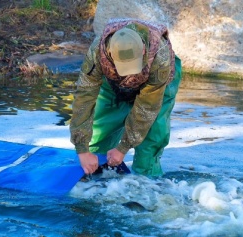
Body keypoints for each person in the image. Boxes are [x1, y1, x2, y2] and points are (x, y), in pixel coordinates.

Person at [70, 18, 182, 177]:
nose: (130, 73)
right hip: (113, 80)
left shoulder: (160, 56)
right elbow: (84, 99)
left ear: (143, 50)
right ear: (110, 53)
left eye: (132, 66)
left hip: (158, 82)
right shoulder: (97, 52)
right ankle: (93, 175)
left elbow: (146, 109)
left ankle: (145, 184)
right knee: (100, 132)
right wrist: (82, 149)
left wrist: (123, 147)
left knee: (151, 139)